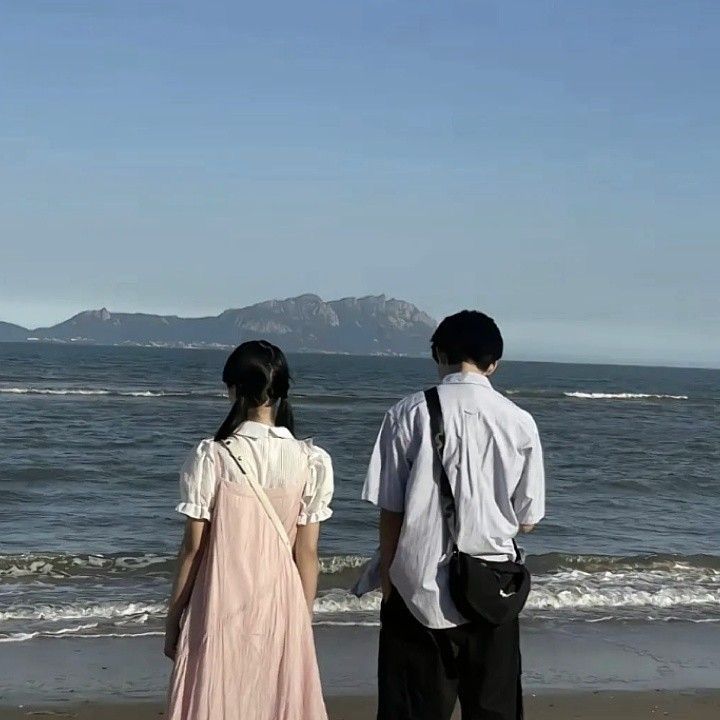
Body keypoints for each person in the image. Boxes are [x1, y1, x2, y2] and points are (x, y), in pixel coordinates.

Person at [359, 310, 545, 720]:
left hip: (417, 589)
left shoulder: (406, 414)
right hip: (493, 591)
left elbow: (390, 511)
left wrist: (389, 584)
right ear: (493, 363)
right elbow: (528, 518)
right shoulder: (520, 423)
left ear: (438, 354)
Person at [165, 340, 333, 720]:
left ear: (233, 389)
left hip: (219, 601)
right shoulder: (311, 460)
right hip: (283, 603)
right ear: (281, 391)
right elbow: (307, 556)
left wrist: (173, 619)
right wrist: (301, 620)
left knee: (218, 700)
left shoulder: (213, 456)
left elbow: (193, 549)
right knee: (276, 701)